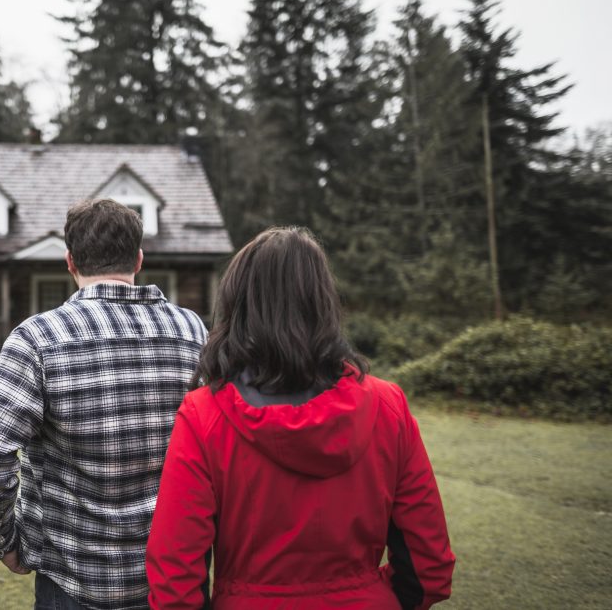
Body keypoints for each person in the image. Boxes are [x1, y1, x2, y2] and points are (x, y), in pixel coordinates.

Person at [146, 227, 455, 609]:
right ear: (323, 302)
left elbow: (176, 583)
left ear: (238, 307)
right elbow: (429, 569)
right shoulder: (387, 407)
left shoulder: (203, 417)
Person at [0, 198, 209, 610]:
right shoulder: (193, 332)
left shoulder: (37, 340)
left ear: (70, 262)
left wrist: (1, 541)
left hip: (71, 583)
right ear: (139, 259)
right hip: (175, 579)